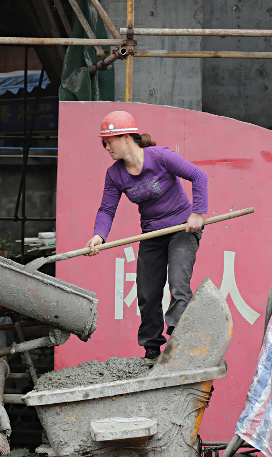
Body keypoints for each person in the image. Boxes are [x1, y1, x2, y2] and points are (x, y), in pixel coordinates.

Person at [85, 111, 207, 365]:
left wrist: (197, 213)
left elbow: (198, 176)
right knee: (147, 292)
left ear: (127, 137)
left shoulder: (161, 157)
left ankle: (179, 341)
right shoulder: (114, 174)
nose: (106, 147)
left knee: (178, 285)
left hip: (184, 229)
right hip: (152, 233)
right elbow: (107, 209)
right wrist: (99, 235)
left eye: (109, 141)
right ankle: (152, 349)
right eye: (104, 143)